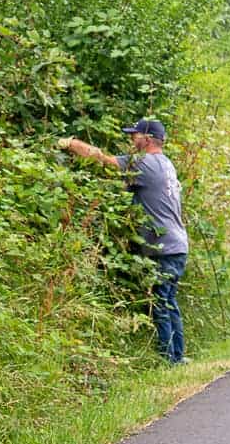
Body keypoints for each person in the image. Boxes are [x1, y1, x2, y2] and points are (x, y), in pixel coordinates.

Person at [59, 118, 188, 364]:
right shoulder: (166, 164)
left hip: (165, 246)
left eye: (135, 135)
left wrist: (71, 143)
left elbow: (102, 160)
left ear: (147, 139)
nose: (131, 139)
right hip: (177, 243)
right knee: (169, 300)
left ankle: (168, 360)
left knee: (161, 301)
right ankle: (177, 356)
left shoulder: (144, 163)